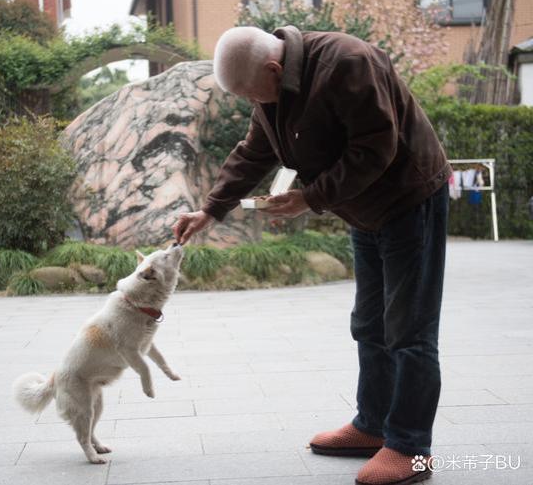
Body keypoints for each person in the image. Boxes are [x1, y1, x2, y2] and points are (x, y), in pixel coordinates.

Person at [172, 25, 451, 485]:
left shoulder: (348, 63)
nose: (250, 104)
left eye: (250, 93)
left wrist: (310, 197)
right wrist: (210, 210)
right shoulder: (271, 92)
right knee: (370, 323)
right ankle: (372, 425)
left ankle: (410, 447)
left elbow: (375, 148)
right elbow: (254, 151)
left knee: (409, 330)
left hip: (408, 201)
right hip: (362, 210)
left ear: (274, 68)